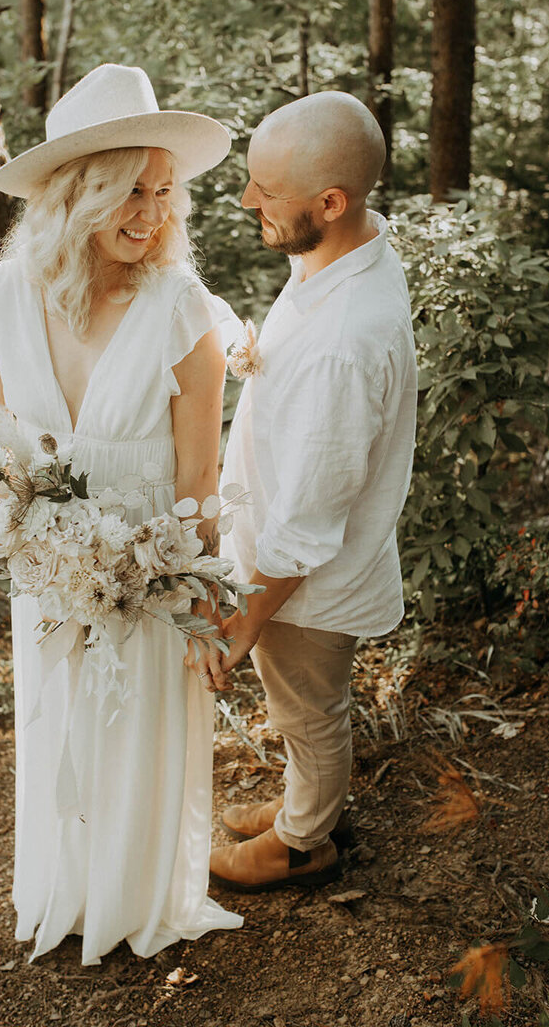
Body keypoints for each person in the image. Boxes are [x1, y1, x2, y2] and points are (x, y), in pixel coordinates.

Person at [0, 64, 243, 964]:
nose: (154, 214)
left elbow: (200, 469)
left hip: (153, 567)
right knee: (61, 715)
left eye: (165, 192)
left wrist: (200, 594)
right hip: (48, 571)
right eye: (131, 192)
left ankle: (141, 899)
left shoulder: (181, 306)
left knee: (140, 729)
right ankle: (70, 889)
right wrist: (29, 540)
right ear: (77, 193)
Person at [197, 91, 418, 892]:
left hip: (304, 580)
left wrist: (244, 624)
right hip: (290, 552)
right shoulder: (342, 249)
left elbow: (307, 523)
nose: (250, 201)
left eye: (267, 192)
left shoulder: (344, 343)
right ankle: (306, 801)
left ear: (332, 202)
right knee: (300, 708)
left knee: (307, 710)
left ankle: (304, 840)